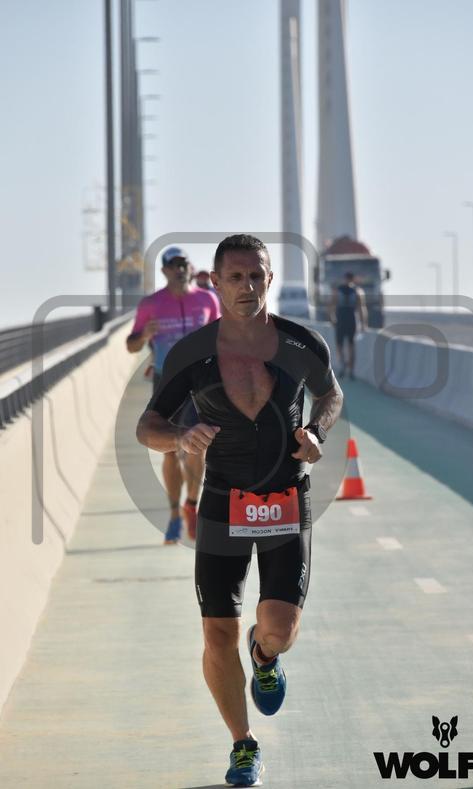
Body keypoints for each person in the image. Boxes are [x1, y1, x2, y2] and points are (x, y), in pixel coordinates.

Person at [136, 234, 343, 786]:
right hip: (224, 502)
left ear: (270, 279)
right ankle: (242, 744)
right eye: (235, 277)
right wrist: (180, 436)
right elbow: (147, 426)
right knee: (216, 636)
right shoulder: (192, 354)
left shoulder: (301, 343)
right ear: (216, 283)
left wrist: (317, 433)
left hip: (286, 497)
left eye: (256, 276)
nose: (247, 286)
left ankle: (266, 658)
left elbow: (331, 394)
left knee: (279, 630)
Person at [127, 246, 221, 543]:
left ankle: (191, 505)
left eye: (184, 264)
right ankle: (173, 514)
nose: (180, 269)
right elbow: (131, 345)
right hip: (165, 381)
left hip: (200, 383)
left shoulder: (207, 300)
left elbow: (223, 335)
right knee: (169, 448)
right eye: (174, 265)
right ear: (164, 271)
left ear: (190, 268)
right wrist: (145, 334)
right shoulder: (151, 304)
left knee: (197, 442)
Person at [330, 271, 368, 378]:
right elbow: (362, 308)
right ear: (353, 279)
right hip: (350, 319)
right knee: (349, 345)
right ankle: (349, 368)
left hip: (342, 320)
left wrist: (332, 318)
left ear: (345, 278)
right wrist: (363, 323)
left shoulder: (338, 290)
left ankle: (345, 366)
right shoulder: (358, 291)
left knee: (342, 345)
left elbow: (331, 305)